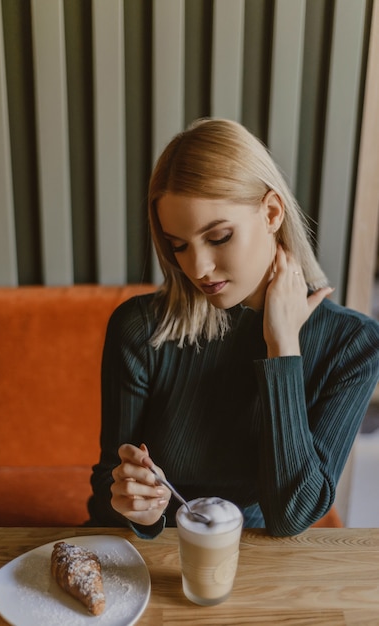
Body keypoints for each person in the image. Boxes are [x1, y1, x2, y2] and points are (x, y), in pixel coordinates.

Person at [87, 118, 379, 537]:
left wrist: (282, 346)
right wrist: (140, 511)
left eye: (219, 236)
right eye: (179, 246)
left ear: (272, 212)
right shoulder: (140, 329)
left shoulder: (353, 346)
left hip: (254, 560)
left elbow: (292, 516)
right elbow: (104, 490)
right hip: (153, 555)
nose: (199, 268)